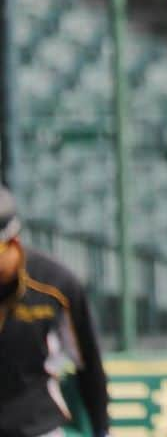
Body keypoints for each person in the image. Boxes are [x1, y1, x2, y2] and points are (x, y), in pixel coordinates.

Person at [0, 184, 110, 437]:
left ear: (13, 240)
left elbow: (89, 364)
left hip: (37, 426)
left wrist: (101, 429)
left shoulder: (55, 284)